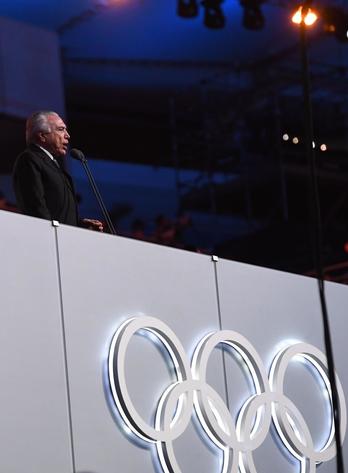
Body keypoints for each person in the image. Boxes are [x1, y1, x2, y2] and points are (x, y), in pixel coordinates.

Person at [13, 111, 103, 231]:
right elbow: (35, 208)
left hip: (61, 240)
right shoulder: (29, 159)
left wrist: (79, 225)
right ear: (42, 136)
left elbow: (57, 211)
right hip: (48, 242)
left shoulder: (52, 163)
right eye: (61, 129)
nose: (67, 135)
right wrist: (52, 234)